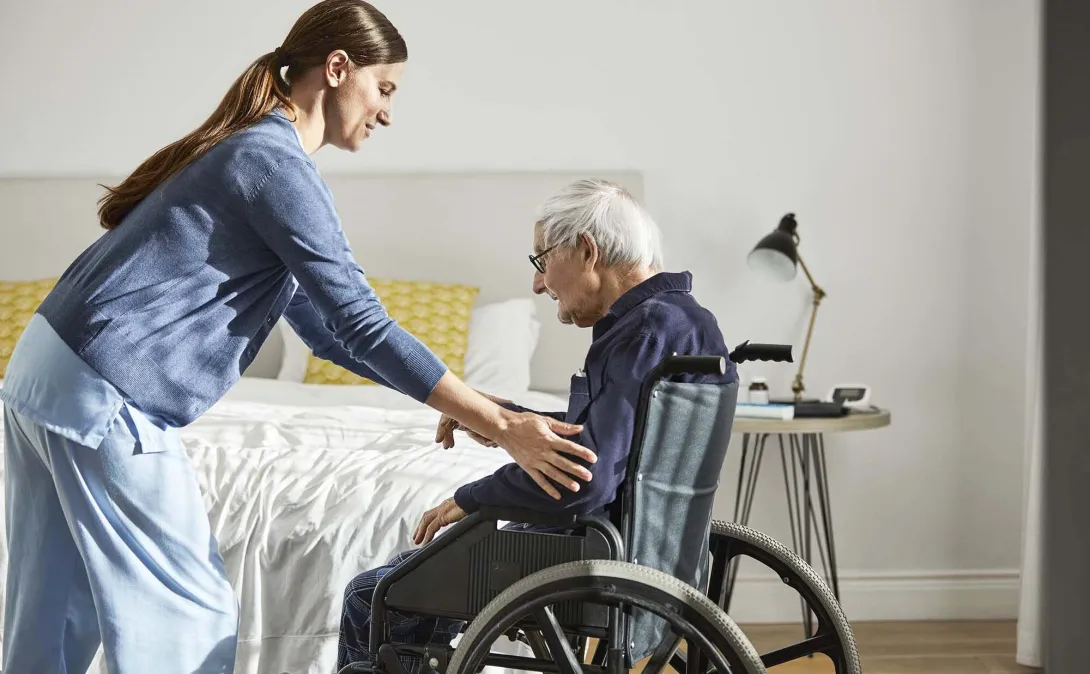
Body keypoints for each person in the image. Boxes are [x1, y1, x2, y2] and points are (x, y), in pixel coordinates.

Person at [0, 3, 598, 673]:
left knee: (53, 610)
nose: (388, 113)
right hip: (106, 392)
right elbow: (359, 321)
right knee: (185, 614)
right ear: (338, 69)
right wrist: (497, 420)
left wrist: (460, 400)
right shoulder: (274, 165)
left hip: (42, 374)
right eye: (385, 89)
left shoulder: (252, 152)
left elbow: (328, 336)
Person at [336, 179, 738, 672]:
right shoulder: (685, 320)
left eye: (541, 260)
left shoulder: (643, 331)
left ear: (586, 250)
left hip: (589, 552)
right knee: (417, 579)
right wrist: (511, 419)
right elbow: (622, 441)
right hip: (640, 545)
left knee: (373, 594)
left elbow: (583, 478)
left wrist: (471, 497)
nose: (537, 283)